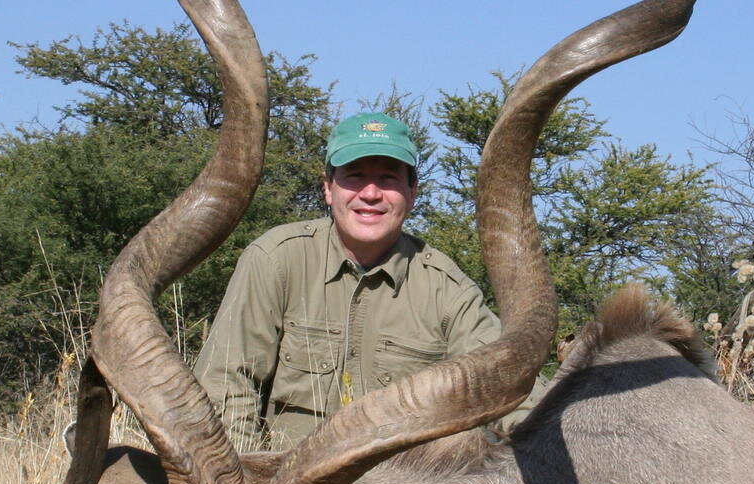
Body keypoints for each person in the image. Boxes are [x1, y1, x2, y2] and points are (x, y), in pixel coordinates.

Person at [194, 110, 532, 450]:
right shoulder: (276, 259)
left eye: (388, 178)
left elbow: (512, 384)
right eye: (354, 176)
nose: (370, 193)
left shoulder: (447, 289)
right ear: (328, 188)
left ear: (412, 192)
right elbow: (225, 383)